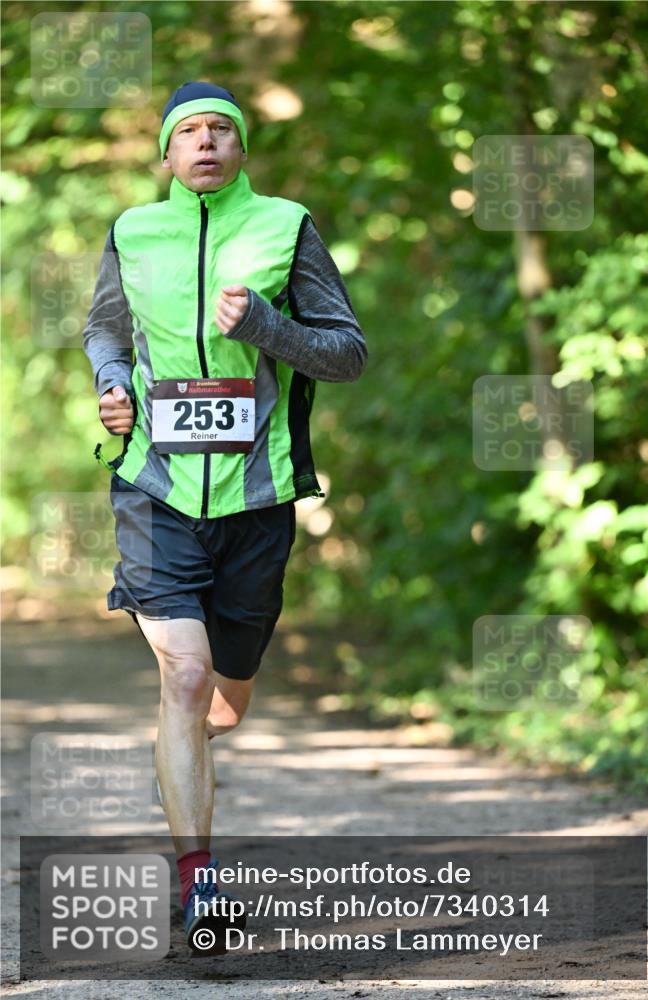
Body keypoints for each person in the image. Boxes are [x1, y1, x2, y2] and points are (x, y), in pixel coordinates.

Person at [82, 81, 367, 953]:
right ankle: (200, 884)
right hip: (155, 488)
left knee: (222, 703)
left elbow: (347, 353)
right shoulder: (134, 231)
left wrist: (269, 327)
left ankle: (183, 759)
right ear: (166, 154)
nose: (204, 143)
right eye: (188, 132)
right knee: (183, 676)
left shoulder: (285, 226)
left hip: (256, 496)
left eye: (221, 131)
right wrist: (112, 383)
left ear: (241, 149)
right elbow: (104, 329)